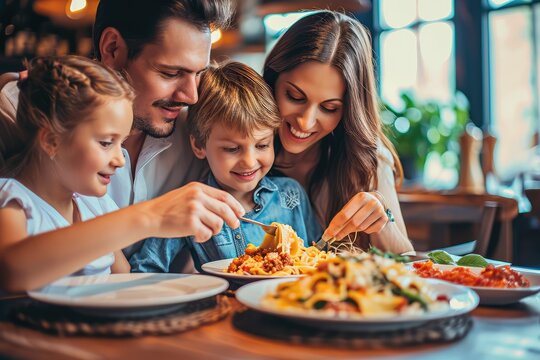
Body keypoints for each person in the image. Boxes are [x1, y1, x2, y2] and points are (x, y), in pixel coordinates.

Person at [0, 0, 241, 270]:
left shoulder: (200, 134)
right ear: (112, 48)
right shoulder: (22, 113)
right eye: (171, 73)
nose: (190, 96)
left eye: (198, 74)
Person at [130, 61, 322, 272]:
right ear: (199, 145)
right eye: (232, 149)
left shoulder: (291, 195)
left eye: (262, 145)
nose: (249, 161)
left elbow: (320, 254)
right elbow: (145, 268)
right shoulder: (194, 207)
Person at [263, 11, 413, 254]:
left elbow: (405, 262)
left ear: (348, 111)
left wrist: (381, 221)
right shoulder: (241, 146)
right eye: (295, 96)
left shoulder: (366, 158)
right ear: (272, 81)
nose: (305, 121)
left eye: (329, 108)